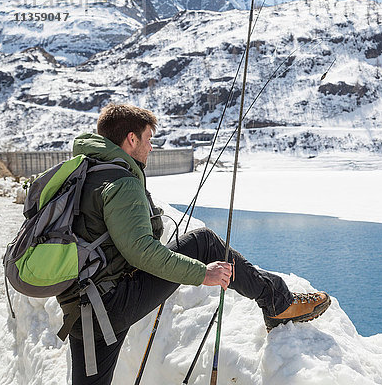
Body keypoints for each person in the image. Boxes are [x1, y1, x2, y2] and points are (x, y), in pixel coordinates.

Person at [56, 102, 331, 384]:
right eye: (149, 139)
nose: (151, 147)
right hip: (110, 304)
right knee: (203, 242)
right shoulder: (121, 182)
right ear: (131, 139)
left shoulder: (87, 171)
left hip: (80, 306)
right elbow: (141, 251)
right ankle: (277, 302)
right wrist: (203, 273)